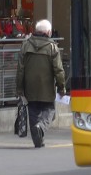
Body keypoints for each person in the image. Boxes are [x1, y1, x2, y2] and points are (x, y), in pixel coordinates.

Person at [15, 19, 66, 148]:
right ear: (48, 32)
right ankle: (41, 127)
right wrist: (62, 87)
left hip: (30, 86)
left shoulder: (25, 45)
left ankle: (38, 140)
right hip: (46, 86)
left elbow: (20, 69)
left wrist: (19, 88)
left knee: (33, 111)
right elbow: (58, 70)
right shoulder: (52, 47)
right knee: (49, 110)